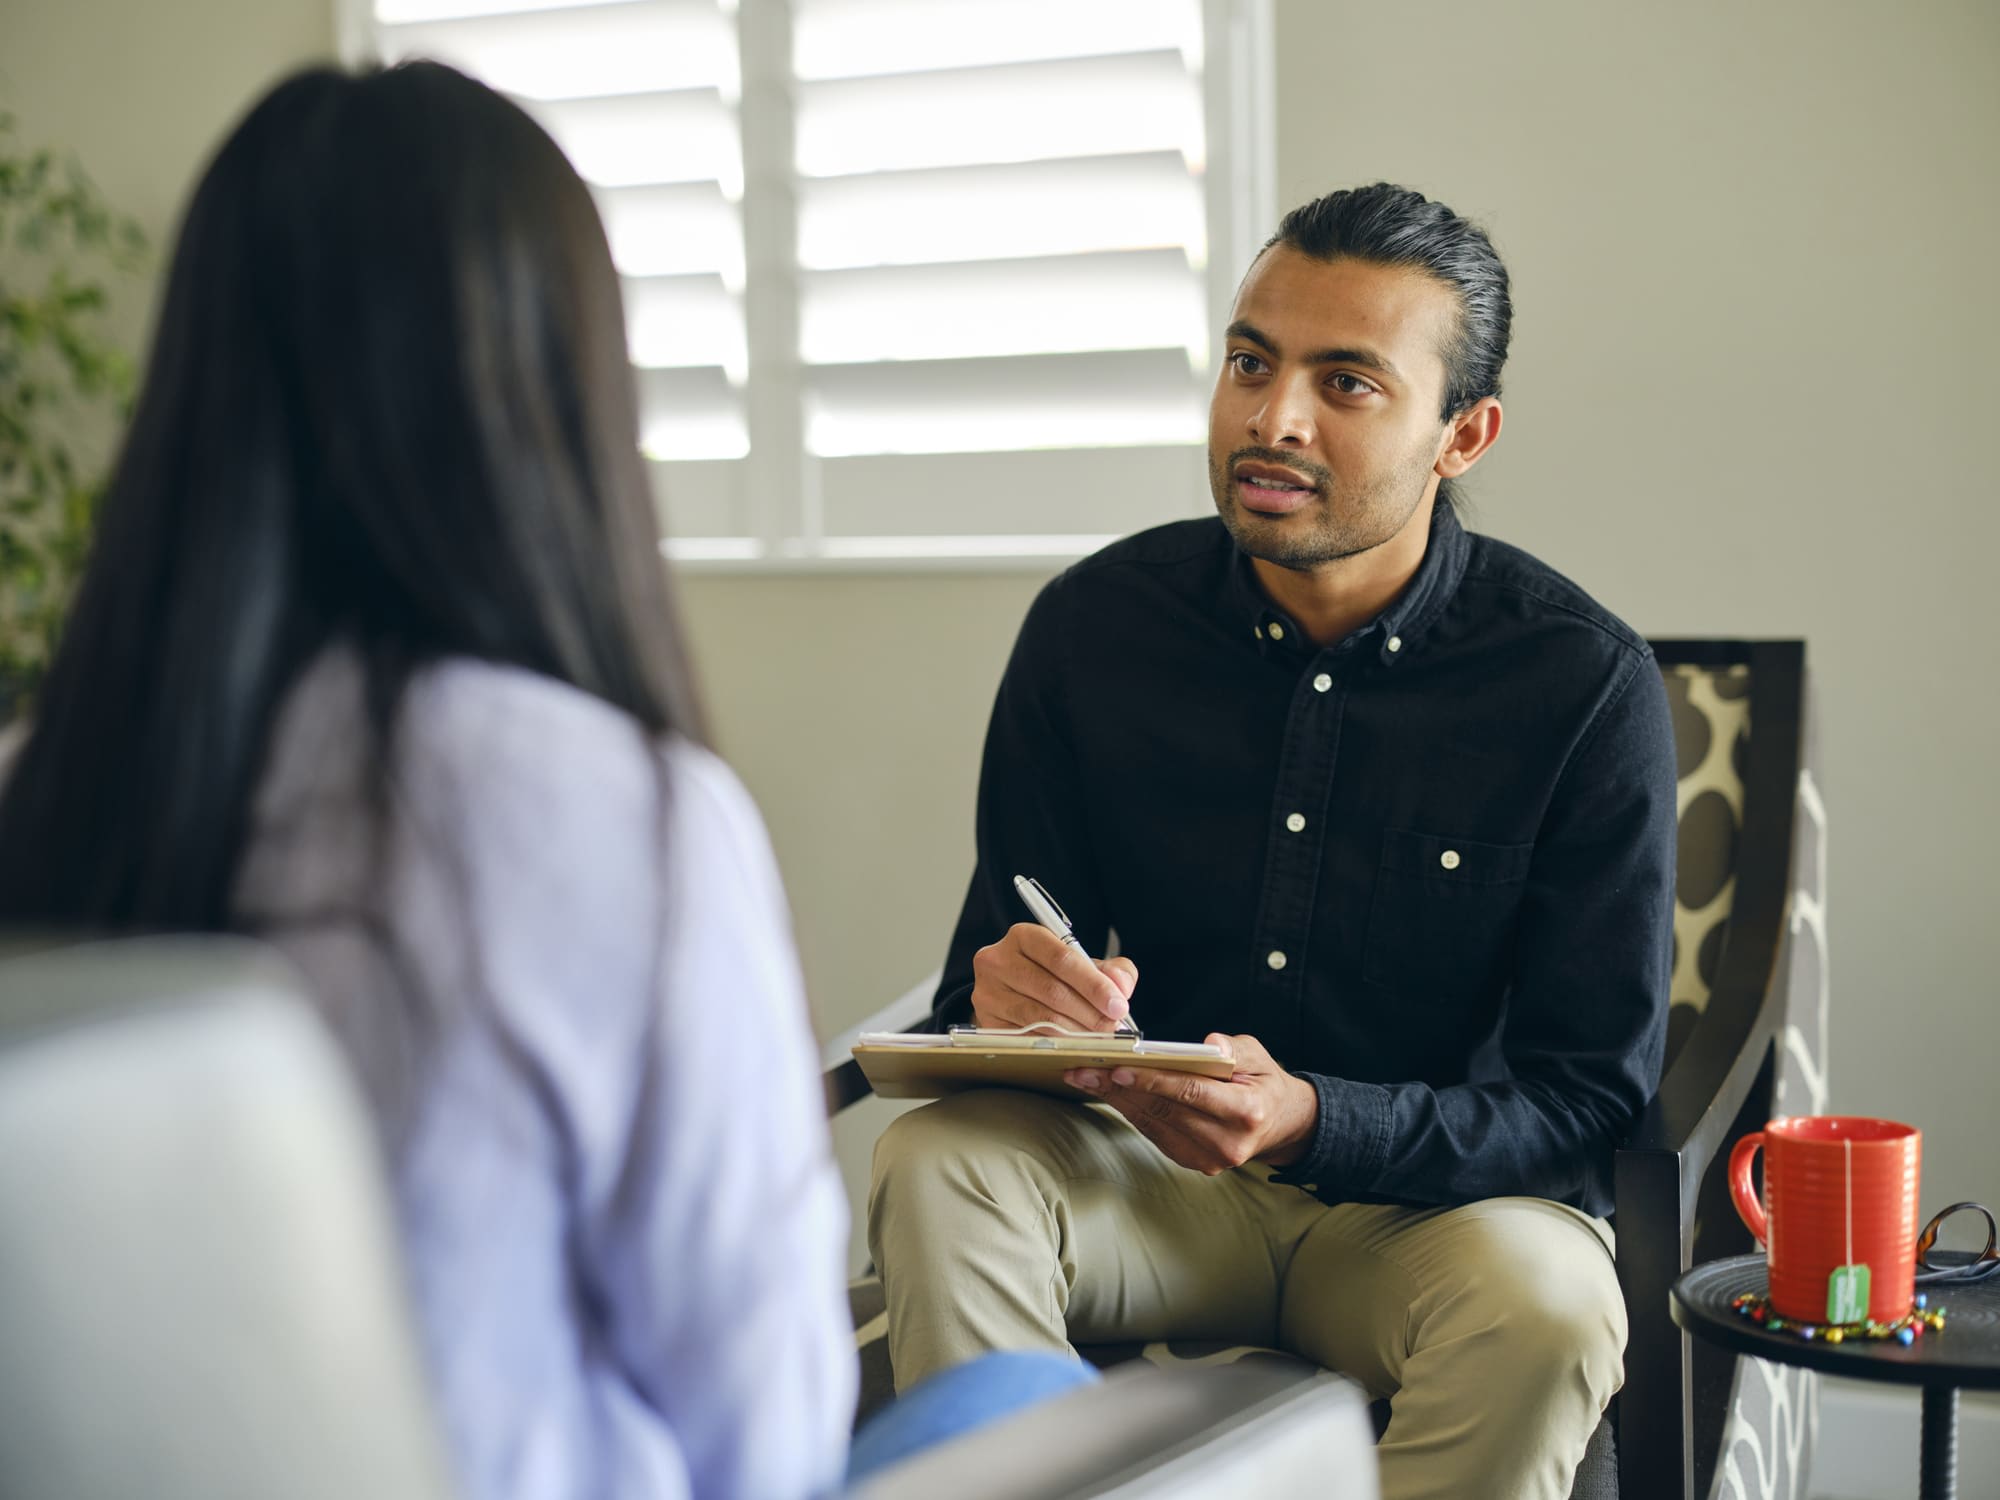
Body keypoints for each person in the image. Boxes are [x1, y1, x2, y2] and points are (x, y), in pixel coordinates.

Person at [0, 60, 1086, 1500]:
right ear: (552, 385)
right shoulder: (615, 811)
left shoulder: (45, 782)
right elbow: (759, 1435)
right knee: (1030, 1391)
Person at [868, 183, 1678, 1500]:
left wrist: (1316, 1120)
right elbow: (989, 972)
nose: (1271, 419)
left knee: (1552, 1300)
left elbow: (1585, 1100)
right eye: (1252, 361)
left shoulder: (1582, 686)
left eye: (1346, 383)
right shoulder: (1094, 630)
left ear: (1461, 434)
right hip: (1157, 1194)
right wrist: (1015, 1004)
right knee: (938, 1163)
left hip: (1432, 1226)